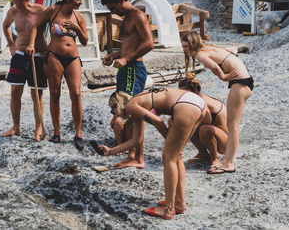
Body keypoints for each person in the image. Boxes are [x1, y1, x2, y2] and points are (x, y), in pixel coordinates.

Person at [99, 89, 208, 219]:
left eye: (112, 111)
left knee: (169, 158)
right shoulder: (136, 106)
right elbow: (135, 140)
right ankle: (179, 204)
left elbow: (158, 121)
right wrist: (110, 151)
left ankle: (168, 210)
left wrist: (168, 140)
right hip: (198, 104)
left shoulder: (130, 105)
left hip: (185, 105)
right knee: (176, 156)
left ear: (117, 104)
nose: (115, 115)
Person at [181, 31, 253, 174]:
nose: (184, 49)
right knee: (233, 125)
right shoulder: (210, 48)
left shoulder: (200, 54)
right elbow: (231, 50)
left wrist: (223, 77)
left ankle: (228, 163)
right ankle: (226, 161)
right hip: (243, 82)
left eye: (186, 46)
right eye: (182, 46)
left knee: (233, 126)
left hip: (239, 83)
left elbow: (214, 67)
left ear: (193, 44)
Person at [101, 0, 154, 166]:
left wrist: (127, 59)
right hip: (125, 69)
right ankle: (126, 151)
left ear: (121, 1)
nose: (114, 12)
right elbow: (128, 46)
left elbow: (149, 43)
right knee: (119, 110)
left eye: (114, 8)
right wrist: (114, 56)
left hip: (133, 69)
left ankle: (133, 155)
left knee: (127, 112)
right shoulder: (126, 18)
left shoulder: (138, 16)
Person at [41, 0, 88, 150]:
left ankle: (79, 133)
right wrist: (43, 47)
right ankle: (56, 132)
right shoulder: (53, 11)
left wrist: (76, 28)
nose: (80, 2)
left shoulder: (79, 16)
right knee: (55, 93)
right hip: (54, 55)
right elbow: (38, 27)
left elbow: (85, 41)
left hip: (73, 57)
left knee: (76, 94)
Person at [2, 0, 47, 142]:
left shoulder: (41, 10)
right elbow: (5, 26)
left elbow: (54, 27)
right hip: (19, 55)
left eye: (14, 0)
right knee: (15, 91)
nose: (13, 3)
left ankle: (39, 127)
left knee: (37, 94)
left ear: (22, 0)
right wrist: (11, 45)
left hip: (38, 55)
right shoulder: (14, 11)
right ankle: (16, 126)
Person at [178, 74, 228, 166]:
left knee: (203, 129)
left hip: (226, 144)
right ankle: (203, 154)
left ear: (195, 91)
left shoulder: (202, 102)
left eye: (185, 93)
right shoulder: (196, 99)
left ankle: (214, 159)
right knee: (187, 123)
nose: (183, 95)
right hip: (215, 135)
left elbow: (205, 122)